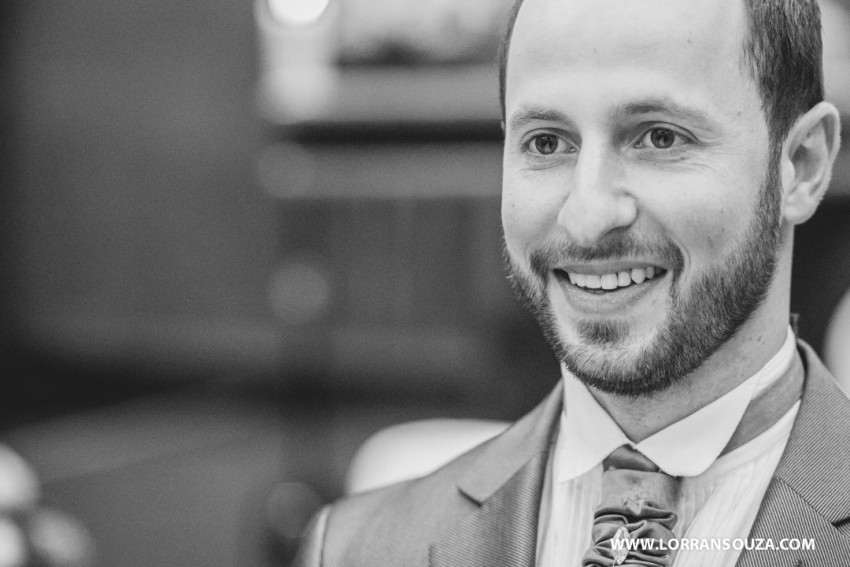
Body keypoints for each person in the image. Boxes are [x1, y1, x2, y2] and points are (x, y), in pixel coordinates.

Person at [294, 0, 850, 564]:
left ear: (802, 165)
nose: (588, 217)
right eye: (546, 143)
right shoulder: (350, 550)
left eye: (660, 137)